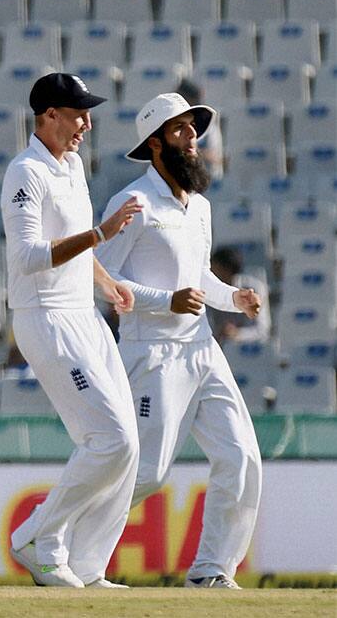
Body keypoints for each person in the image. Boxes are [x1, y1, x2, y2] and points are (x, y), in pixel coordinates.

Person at [95, 93, 263, 590]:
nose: (193, 140)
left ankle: (212, 571)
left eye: (194, 129)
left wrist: (235, 298)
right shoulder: (132, 203)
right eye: (181, 131)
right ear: (154, 143)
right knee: (146, 473)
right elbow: (101, 276)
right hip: (150, 352)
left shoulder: (201, 208)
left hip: (201, 348)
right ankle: (53, 537)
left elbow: (200, 282)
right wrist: (164, 300)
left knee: (241, 458)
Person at [0, 73, 143, 588]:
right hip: (47, 319)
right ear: (47, 117)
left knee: (127, 445)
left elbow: (73, 245)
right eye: (77, 113)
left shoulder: (73, 165)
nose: (86, 122)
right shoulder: (25, 172)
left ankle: (84, 564)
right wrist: (101, 235)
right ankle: (37, 537)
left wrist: (106, 281)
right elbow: (27, 256)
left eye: (87, 112)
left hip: (83, 312)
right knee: (111, 437)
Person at [208, 246, 271, 345]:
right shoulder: (209, 289)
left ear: (226, 270)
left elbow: (262, 330)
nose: (210, 273)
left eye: (214, 268)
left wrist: (237, 334)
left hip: (252, 349)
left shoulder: (255, 288)